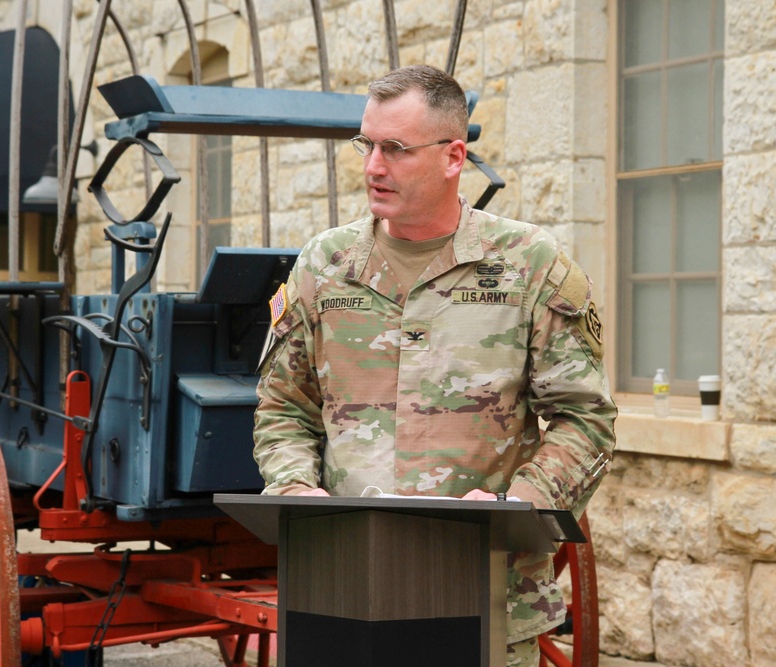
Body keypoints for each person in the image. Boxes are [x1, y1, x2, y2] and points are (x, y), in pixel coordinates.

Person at [253, 64, 616, 667]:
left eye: (395, 148)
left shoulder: (528, 265)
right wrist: (294, 488)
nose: (372, 165)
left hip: (487, 599)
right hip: (344, 591)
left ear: (453, 156)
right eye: (366, 144)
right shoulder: (326, 264)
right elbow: (284, 405)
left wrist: (519, 504)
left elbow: (587, 421)